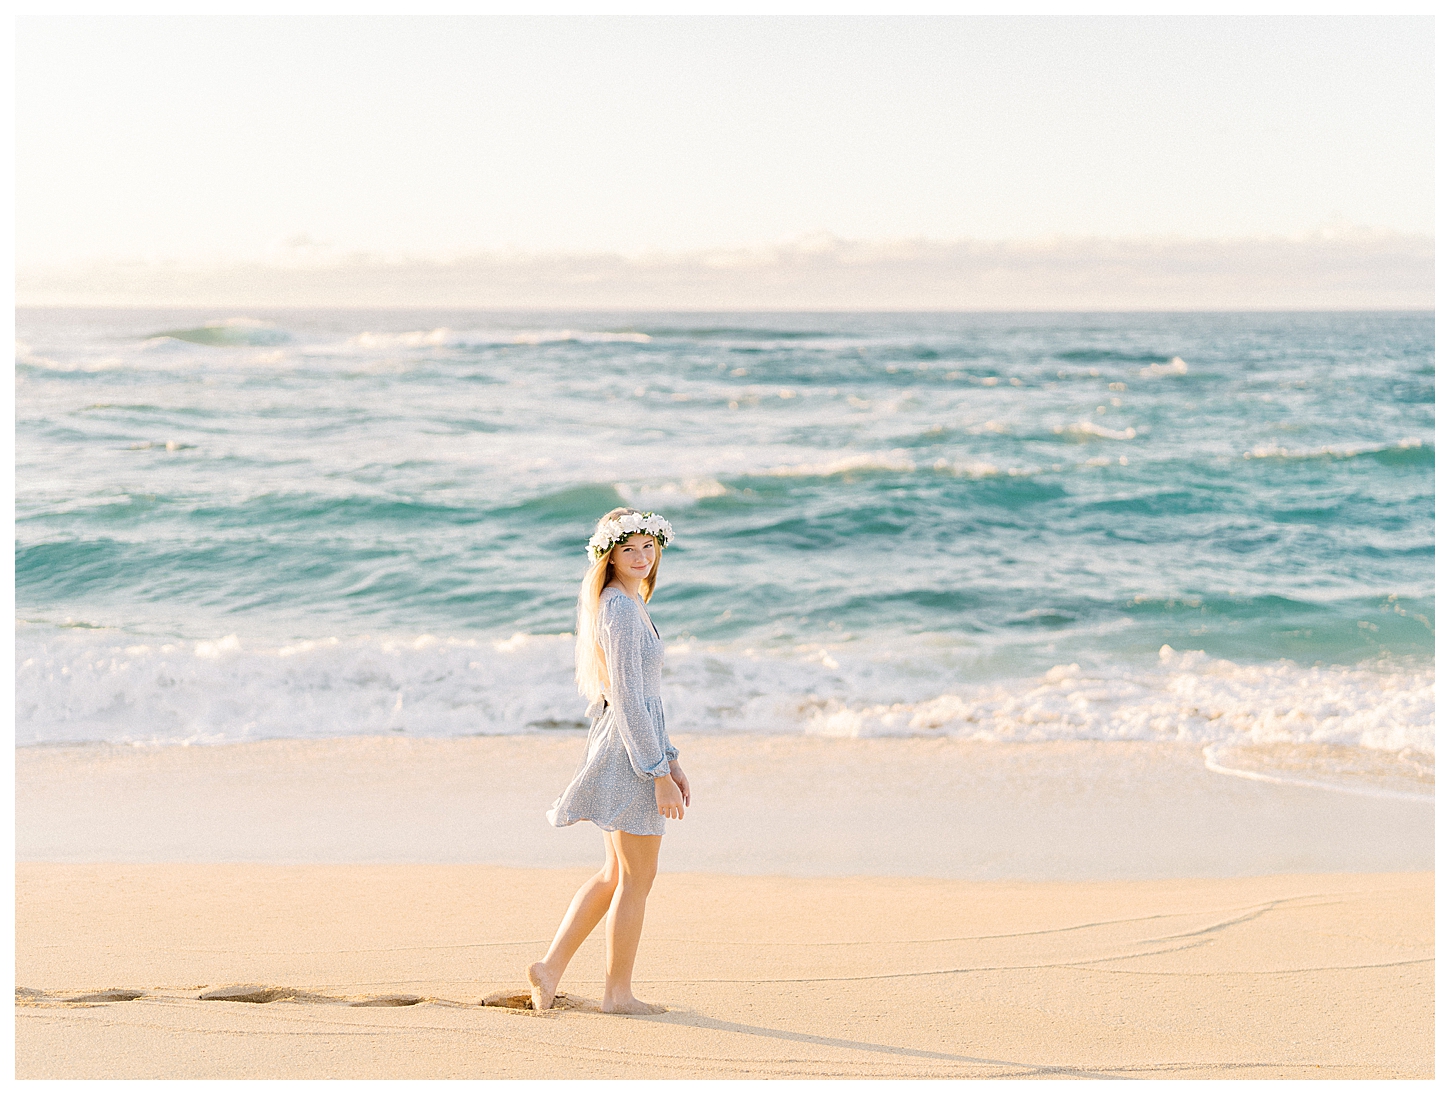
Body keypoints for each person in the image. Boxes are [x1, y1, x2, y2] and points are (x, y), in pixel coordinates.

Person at [529, 508, 690, 1014]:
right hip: (630, 754)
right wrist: (657, 772)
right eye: (629, 549)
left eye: (648, 546)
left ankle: (549, 969)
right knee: (635, 880)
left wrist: (672, 759)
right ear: (609, 555)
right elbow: (626, 697)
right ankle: (617, 994)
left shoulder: (628, 603)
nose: (642, 557)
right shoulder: (618, 610)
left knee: (615, 875)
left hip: (633, 747)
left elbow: (644, 699)